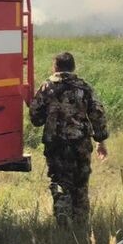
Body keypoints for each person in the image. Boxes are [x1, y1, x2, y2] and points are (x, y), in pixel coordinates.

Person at [30, 52, 109, 226]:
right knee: (80, 185)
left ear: (55, 67)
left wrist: (33, 104)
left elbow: (36, 119)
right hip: (80, 144)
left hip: (56, 146)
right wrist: (100, 141)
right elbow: (97, 114)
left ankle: (63, 224)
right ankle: (81, 227)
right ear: (73, 67)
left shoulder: (47, 87)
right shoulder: (84, 87)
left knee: (60, 183)